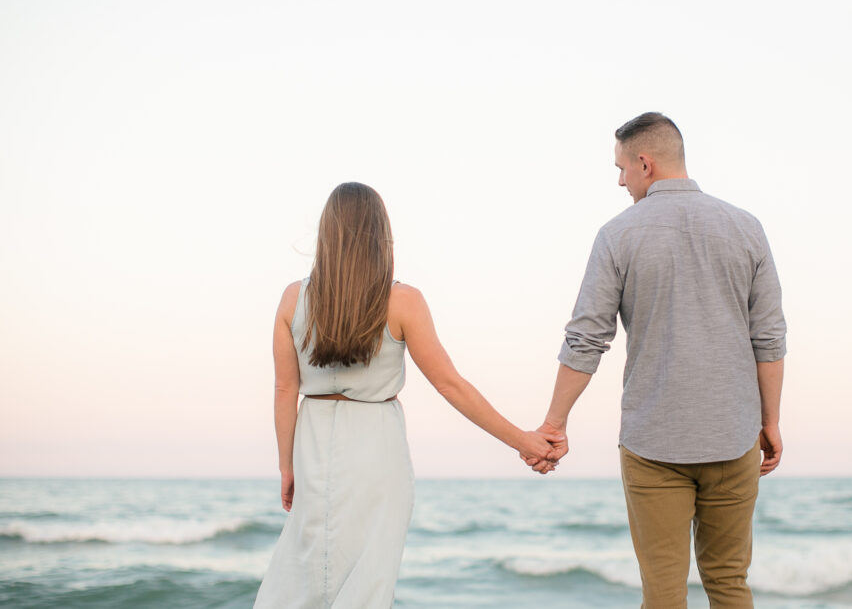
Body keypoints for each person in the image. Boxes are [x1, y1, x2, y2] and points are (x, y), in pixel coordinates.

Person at [254, 182, 561, 608]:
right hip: (377, 446)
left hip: (313, 445)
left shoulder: (293, 298)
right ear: (381, 235)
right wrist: (524, 441)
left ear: (328, 232)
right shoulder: (403, 301)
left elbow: (285, 388)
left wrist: (286, 466)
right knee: (369, 580)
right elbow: (450, 385)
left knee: (304, 575)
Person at [529, 113, 786, 608]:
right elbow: (769, 338)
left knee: (663, 594)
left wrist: (553, 423)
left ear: (644, 163)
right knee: (730, 582)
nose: (619, 180)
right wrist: (769, 420)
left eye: (621, 167)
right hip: (733, 438)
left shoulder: (617, 234)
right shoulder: (746, 227)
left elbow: (587, 338)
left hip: (654, 446)